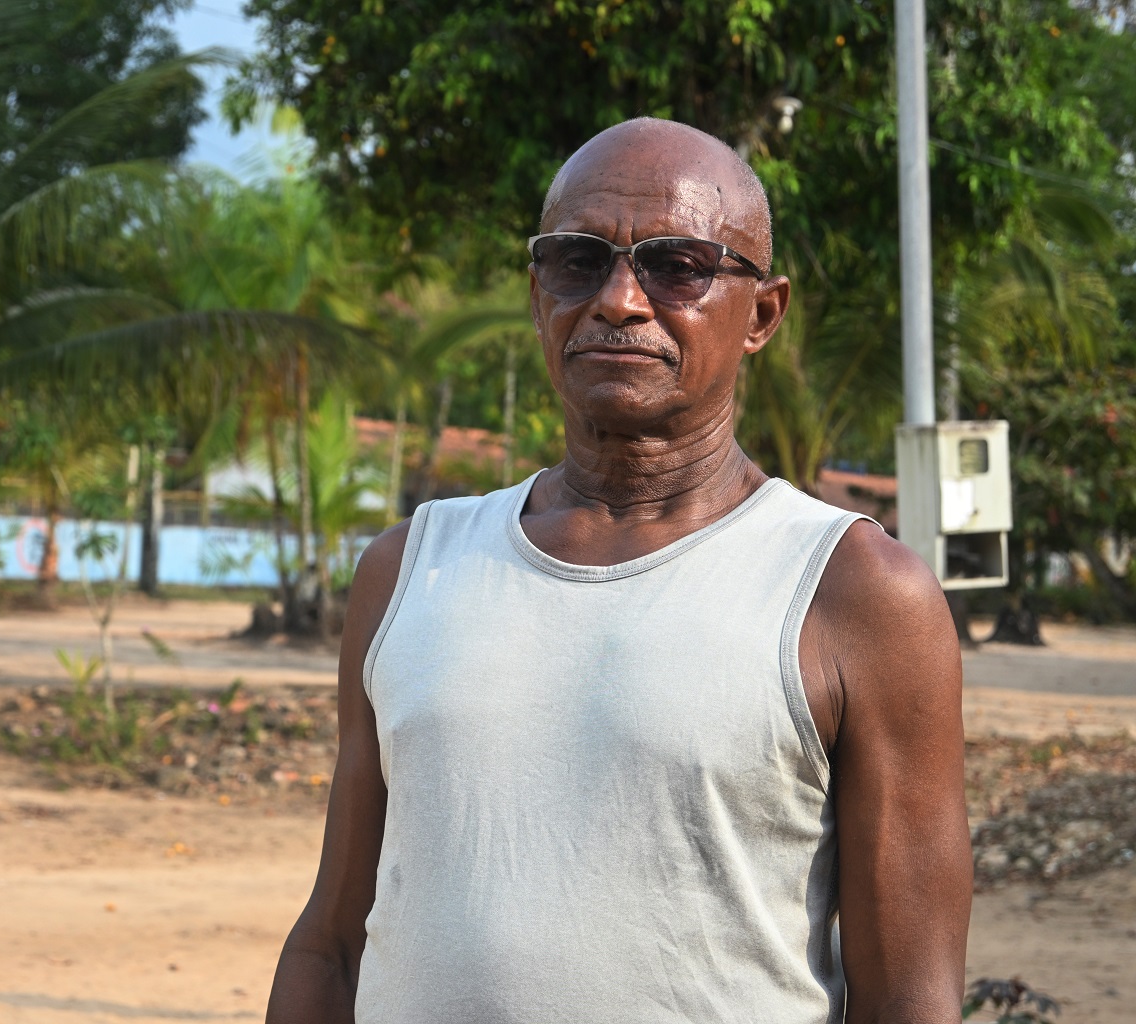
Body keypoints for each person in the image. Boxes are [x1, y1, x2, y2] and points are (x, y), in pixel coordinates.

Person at [265, 117, 972, 1024]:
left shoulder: (855, 592)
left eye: (678, 266)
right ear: (537, 293)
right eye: (577, 260)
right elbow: (332, 941)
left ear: (762, 314)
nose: (620, 300)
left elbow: (909, 999)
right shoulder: (412, 571)